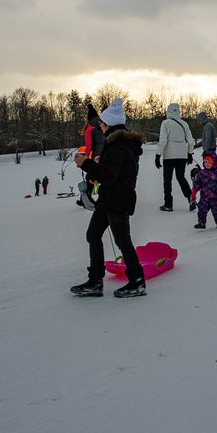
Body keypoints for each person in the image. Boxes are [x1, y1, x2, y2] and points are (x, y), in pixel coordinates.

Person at [70, 98, 148, 298]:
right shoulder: (116, 144)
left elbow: (107, 176)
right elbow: (112, 171)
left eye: (102, 124)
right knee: (93, 234)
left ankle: (137, 282)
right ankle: (96, 281)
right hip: (109, 199)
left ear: (109, 125)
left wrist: (86, 164)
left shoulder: (117, 146)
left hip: (118, 199)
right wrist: (99, 161)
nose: (100, 127)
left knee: (123, 241)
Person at [155, 102, 195, 212]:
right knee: (181, 177)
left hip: (169, 155)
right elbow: (191, 141)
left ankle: (168, 204)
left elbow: (163, 141)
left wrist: (158, 155)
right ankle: (191, 198)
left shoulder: (165, 123)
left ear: (168, 111)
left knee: (167, 179)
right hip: (182, 154)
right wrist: (190, 154)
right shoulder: (184, 124)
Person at [190, 151, 217, 229]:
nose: (207, 164)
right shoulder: (201, 173)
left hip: (215, 197)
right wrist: (193, 193)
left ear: (214, 162)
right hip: (204, 197)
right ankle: (201, 223)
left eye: (209, 162)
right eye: (205, 162)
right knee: (201, 209)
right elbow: (197, 184)